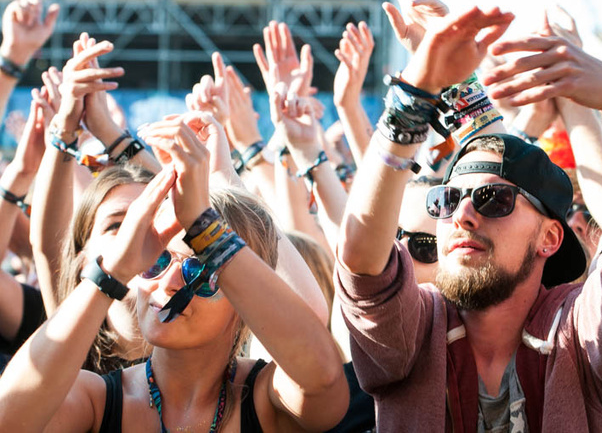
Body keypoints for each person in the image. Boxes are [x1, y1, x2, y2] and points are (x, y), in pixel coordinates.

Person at [335, 6, 602, 431]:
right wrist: (416, 93)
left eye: (493, 200)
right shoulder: (416, 331)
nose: (462, 215)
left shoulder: (578, 333)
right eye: (447, 199)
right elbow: (361, 263)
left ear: (550, 237)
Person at [0, 119, 349, 432]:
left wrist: (213, 207)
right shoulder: (96, 399)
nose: (167, 282)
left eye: (199, 270)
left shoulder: (267, 397)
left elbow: (323, 377)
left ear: (243, 295)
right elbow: (9, 418)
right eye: (156, 261)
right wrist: (114, 271)